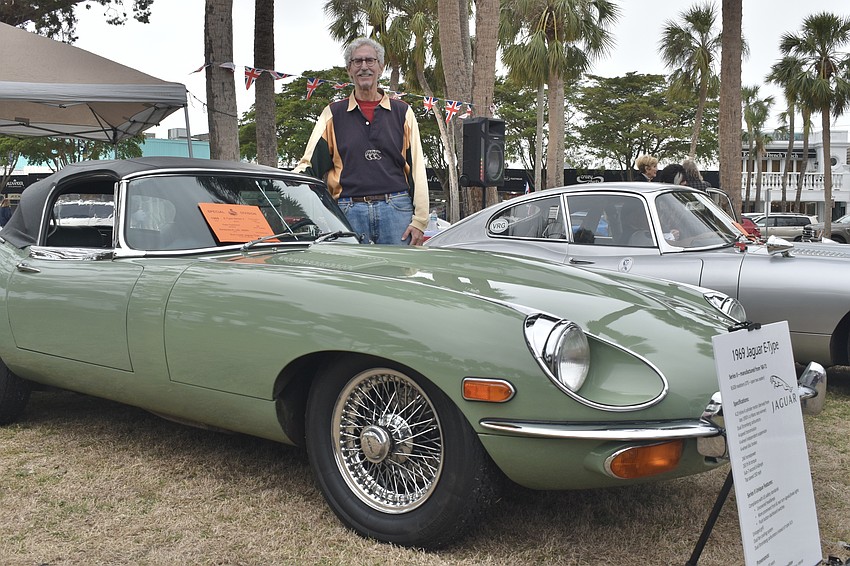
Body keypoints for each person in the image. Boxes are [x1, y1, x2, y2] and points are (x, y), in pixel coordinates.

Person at [293, 37, 428, 245]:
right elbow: (308, 166)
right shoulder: (332, 114)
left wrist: (420, 221)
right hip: (348, 212)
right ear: (349, 69)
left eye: (370, 61)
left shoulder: (403, 112)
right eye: (357, 61)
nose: (364, 67)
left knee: (399, 276)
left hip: (397, 211)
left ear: (381, 67)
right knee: (349, 277)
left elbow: (418, 168)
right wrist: (279, 185)